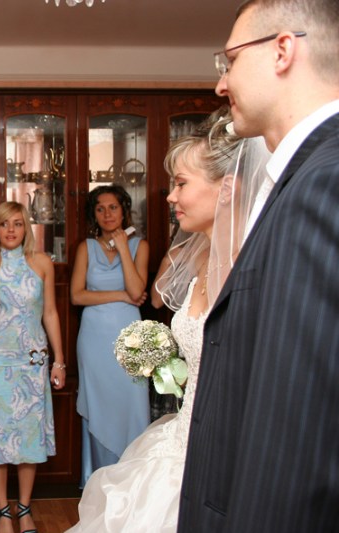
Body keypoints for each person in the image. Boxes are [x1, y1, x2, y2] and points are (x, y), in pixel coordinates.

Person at [67, 108, 269, 532]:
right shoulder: (198, 259)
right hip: (182, 431)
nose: (169, 197)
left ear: (227, 189)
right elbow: (142, 297)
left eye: (181, 184)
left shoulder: (250, 267)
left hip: (221, 440)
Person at [179, 1, 339, 530]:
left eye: (229, 61)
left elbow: (299, 422)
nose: (220, 84)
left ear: (282, 50)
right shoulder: (300, 176)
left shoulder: (325, 182)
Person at [0, 201, 66, 533]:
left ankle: (24, 509)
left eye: (17, 223)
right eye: (4, 224)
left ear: (26, 228)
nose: (11, 230)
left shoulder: (42, 263)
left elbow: (50, 313)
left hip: (33, 361)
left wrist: (59, 361)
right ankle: (2, 512)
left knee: (29, 439)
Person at [71, 185, 150, 485]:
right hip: (93, 340)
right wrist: (121, 296)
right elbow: (77, 296)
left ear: (124, 210)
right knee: (99, 403)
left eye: (113, 207)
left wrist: (123, 248)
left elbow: (137, 290)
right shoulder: (86, 247)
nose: (107, 214)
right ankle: (98, 480)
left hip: (129, 338)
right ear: (94, 214)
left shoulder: (140, 246)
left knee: (132, 403)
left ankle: (131, 481)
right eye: (100, 208)